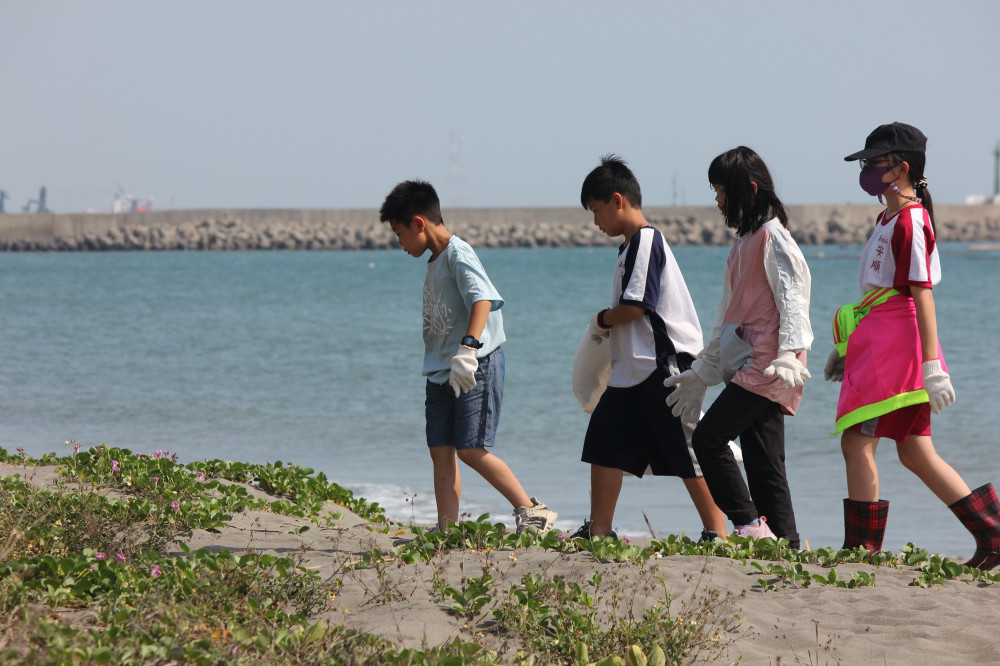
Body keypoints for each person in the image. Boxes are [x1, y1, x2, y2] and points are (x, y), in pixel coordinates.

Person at [825, 122, 999, 569]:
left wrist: (931, 365)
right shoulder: (887, 218)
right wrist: (847, 349)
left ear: (900, 168)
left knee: (857, 440)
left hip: (898, 347)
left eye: (874, 162)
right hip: (880, 340)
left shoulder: (911, 220)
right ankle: (993, 534)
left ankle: (863, 549)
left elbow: (921, 294)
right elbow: (878, 292)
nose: (866, 169)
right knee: (915, 450)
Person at [379, 180, 557, 535]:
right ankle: (448, 529)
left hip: (473, 365)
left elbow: (483, 300)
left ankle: (533, 510)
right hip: (439, 372)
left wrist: (468, 349)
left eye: (399, 234)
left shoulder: (458, 253)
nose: (400, 245)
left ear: (419, 223)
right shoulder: (436, 260)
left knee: (471, 448)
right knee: (440, 450)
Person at [664, 146, 812, 549]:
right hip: (752, 362)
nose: (717, 200)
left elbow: (793, 298)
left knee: (709, 439)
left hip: (769, 366)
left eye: (721, 190)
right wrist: (703, 371)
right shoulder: (745, 242)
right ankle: (786, 544)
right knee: (765, 462)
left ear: (748, 188)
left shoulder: (773, 238)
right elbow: (727, 317)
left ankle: (748, 525)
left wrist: (789, 353)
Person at [574, 155, 728, 541]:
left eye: (596, 211)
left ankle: (718, 530)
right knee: (604, 443)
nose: (596, 222)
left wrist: (602, 321)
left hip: (663, 365)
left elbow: (636, 304)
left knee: (686, 449)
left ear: (617, 200)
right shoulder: (628, 247)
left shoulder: (646, 239)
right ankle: (600, 529)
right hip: (631, 370)